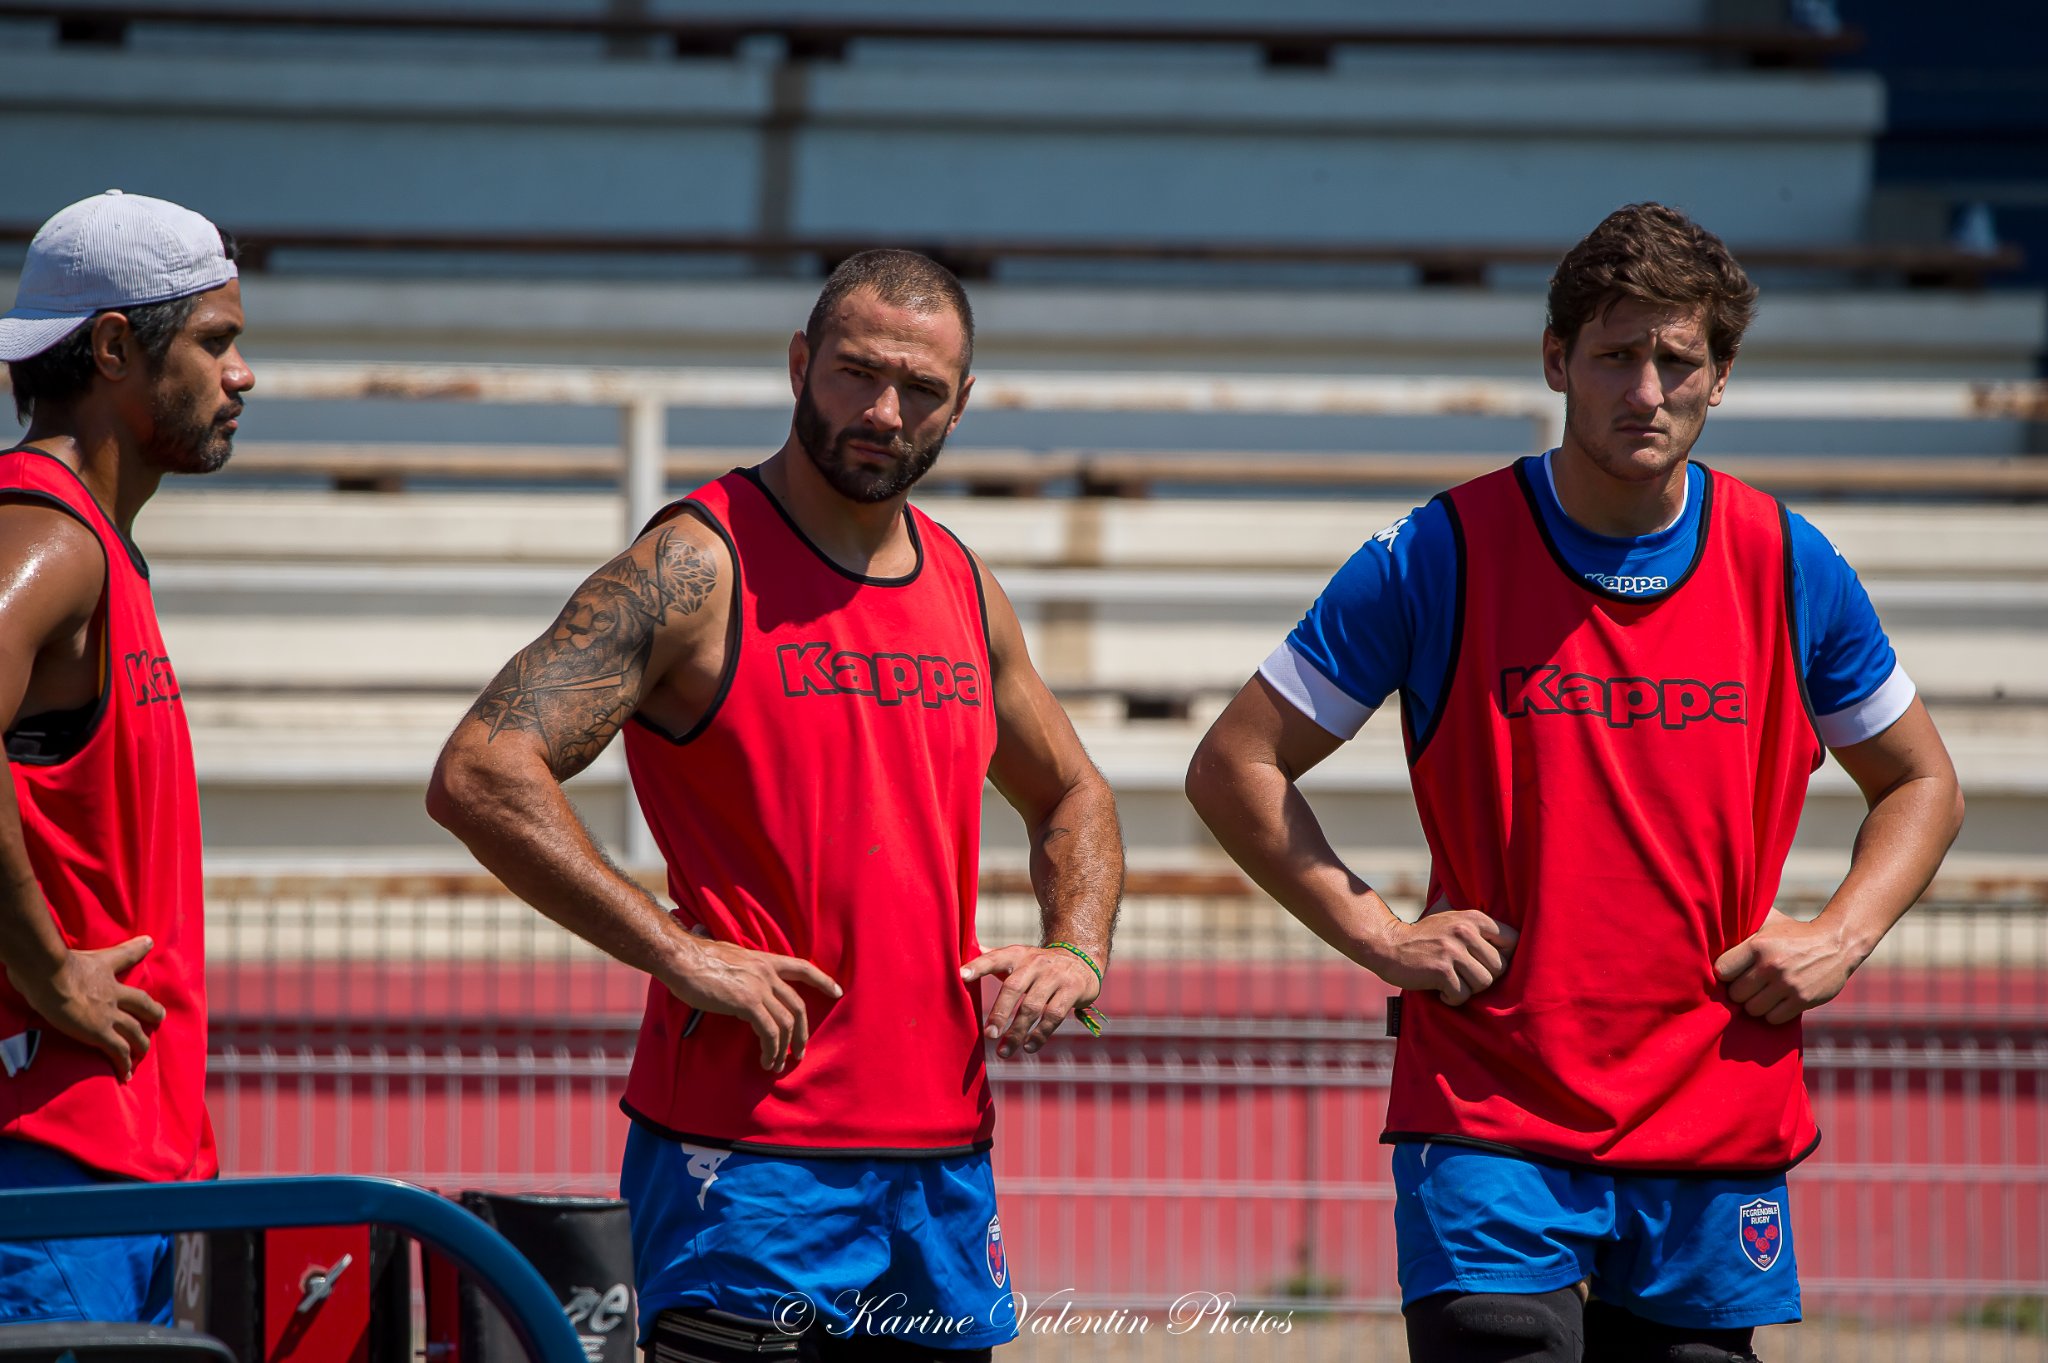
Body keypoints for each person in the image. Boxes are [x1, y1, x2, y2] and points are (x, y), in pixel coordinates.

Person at [1185, 203, 1964, 1363]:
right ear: (1556, 361)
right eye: (1612, 355)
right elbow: (1231, 763)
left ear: (1720, 376)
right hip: (1491, 1110)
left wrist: (1841, 934)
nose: (1642, 390)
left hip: (1713, 1102)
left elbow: (1921, 783)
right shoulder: (1435, 552)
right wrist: (1379, 933)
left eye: (1674, 360)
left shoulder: (1787, 562)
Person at [429, 249, 1122, 1361]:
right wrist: (672, 949)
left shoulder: (963, 585)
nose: (884, 411)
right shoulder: (695, 565)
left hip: (942, 1166)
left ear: (962, 403)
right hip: (747, 1162)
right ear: (799, 364)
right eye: (855, 373)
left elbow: (1073, 792)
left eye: (922, 390)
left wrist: (1075, 946)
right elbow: (480, 770)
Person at [0, 191, 252, 1323]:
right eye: (216, 340)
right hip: (43, 1163)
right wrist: (50, 973)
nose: (242, 375)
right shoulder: (47, 534)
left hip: (105, 1160)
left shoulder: (95, 544)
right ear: (113, 346)